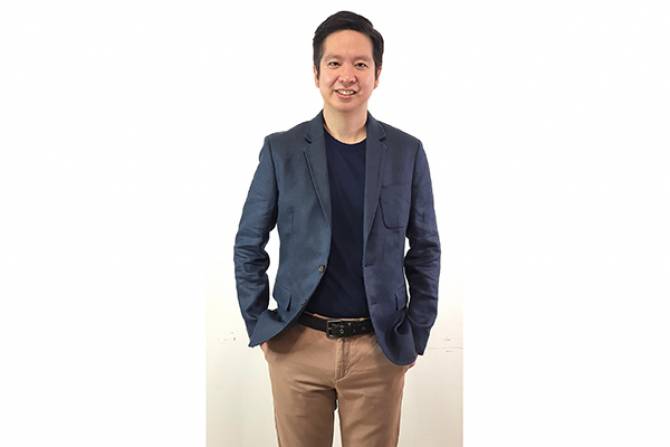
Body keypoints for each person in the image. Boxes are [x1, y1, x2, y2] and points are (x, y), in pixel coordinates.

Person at [233, 10, 441, 447]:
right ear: (316, 73)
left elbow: (425, 250)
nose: (347, 75)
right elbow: (249, 244)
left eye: (360, 64)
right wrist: (261, 326)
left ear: (377, 74)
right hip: (297, 347)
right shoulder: (282, 150)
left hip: (377, 352)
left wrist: (415, 335)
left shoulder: (406, 153)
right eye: (334, 63)